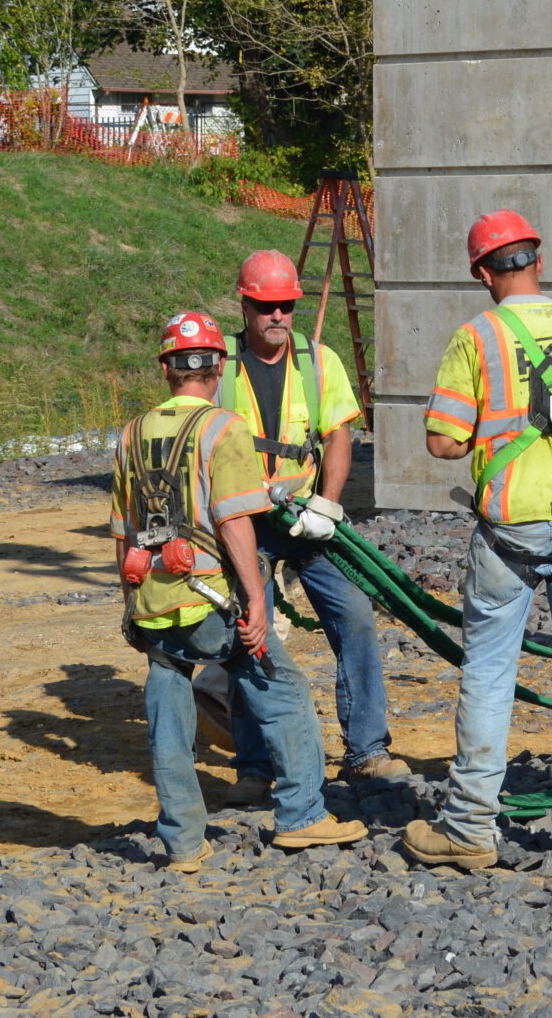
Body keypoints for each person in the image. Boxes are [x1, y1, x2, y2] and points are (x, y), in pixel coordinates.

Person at [402, 211, 552, 871]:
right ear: (539, 259)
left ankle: (470, 825)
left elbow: (444, 439)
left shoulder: (477, 336)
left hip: (511, 526)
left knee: (488, 671)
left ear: (484, 271)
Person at [111, 310, 365, 872]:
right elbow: (233, 522)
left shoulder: (131, 434)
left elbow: (124, 531)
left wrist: (130, 605)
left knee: (168, 711)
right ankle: (302, 816)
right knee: (283, 690)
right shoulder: (222, 428)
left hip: (154, 599)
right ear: (217, 366)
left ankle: (182, 842)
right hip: (209, 598)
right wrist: (255, 598)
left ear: (166, 370)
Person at [216, 249, 403, 800]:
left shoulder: (319, 361)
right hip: (246, 518)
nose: (277, 316)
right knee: (252, 634)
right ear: (245, 305)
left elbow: (338, 435)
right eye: (266, 306)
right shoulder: (220, 364)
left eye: (286, 306)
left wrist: (327, 504)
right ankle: (255, 768)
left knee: (356, 615)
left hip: (305, 518)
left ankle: (367, 751)